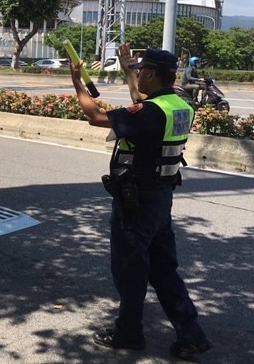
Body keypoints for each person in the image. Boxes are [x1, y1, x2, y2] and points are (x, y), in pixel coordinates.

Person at [67, 44, 211, 362]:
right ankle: (191, 336)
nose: (138, 77)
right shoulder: (179, 105)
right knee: (164, 271)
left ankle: (129, 334)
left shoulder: (149, 113)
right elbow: (141, 101)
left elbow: (94, 116)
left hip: (136, 203)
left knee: (130, 271)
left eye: (142, 71)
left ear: (151, 74)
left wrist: (78, 81)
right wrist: (128, 69)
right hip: (161, 199)